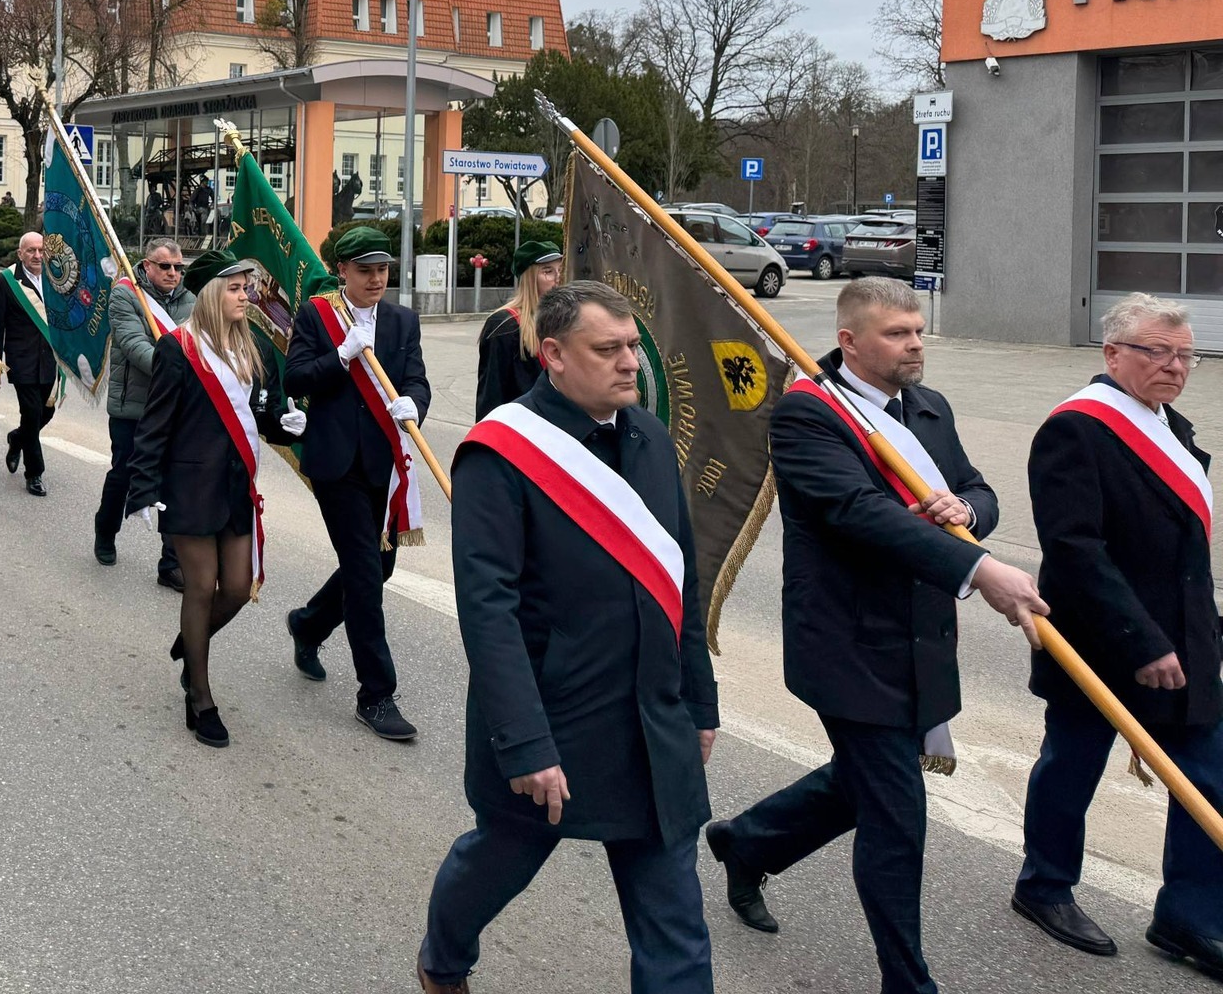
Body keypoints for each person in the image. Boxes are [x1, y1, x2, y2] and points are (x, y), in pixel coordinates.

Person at [707, 276, 1048, 994]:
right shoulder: (808, 415)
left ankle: (746, 842)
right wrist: (980, 567)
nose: (915, 343)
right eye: (897, 334)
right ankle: (908, 983)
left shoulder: (929, 407)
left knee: (865, 785)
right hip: (847, 642)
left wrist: (970, 512)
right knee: (896, 814)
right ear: (850, 342)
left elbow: (978, 488)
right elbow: (861, 513)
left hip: (920, 637)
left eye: (918, 330)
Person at [420, 280, 718, 994]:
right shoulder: (499, 454)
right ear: (552, 354)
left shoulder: (646, 435)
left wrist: (699, 701)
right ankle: (443, 958)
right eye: (607, 349)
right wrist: (524, 743)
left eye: (632, 349)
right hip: (556, 714)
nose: (629, 365)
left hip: (652, 718)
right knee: (501, 858)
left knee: (676, 924)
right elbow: (488, 612)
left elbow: (681, 577)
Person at [1010, 292, 1222, 972]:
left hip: (1182, 640)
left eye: (1184, 353)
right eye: (1156, 351)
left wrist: (1201, 630)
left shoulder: (1175, 430)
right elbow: (1074, 550)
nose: (1174, 365)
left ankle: (1187, 917)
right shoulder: (1078, 428)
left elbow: (1183, 554)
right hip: (1101, 642)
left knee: (1209, 777)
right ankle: (1044, 887)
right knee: (1072, 767)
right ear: (1113, 354)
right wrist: (1143, 642)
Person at [128, 252, 297, 748]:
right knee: (201, 587)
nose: (247, 296)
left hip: (235, 487)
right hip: (189, 489)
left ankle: (190, 641)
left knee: (239, 587)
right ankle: (199, 695)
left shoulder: (253, 347)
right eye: (236, 288)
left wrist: (283, 425)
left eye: (247, 287)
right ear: (209, 296)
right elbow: (154, 425)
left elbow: (257, 415)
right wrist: (142, 489)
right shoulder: (179, 350)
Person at [283, 224, 431, 742]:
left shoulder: (401, 321)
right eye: (364, 269)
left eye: (382, 269)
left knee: (378, 564)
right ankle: (376, 695)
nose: (375, 279)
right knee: (366, 574)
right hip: (335, 463)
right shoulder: (317, 316)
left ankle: (309, 622)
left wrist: (417, 404)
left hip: (384, 463)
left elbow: (415, 378)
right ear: (341, 270)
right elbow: (295, 378)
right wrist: (341, 356)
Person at [96, 237, 194, 584]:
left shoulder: (190, 301)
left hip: (176, 408)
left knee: (174, 483)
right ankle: (105, 532)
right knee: (124, 475)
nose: (173, 273)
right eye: (165, 266)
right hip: (133, 408)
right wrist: (182, 374)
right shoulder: (126, 295)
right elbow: (135, 346)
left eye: (178, 268)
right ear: (147, 265)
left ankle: (170, 565)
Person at [0, 231, 59, 496]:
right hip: (22, 359)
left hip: (51, 359)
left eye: (41, 250)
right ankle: (34, 473)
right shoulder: (6, 281)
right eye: (31, 251)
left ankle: (17, 438)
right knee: (32, 413)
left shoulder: (57, 279)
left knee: (47, 412)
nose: (36, 256)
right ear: (20, 253)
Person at [473, 241, 564, 418]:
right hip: (518, 430)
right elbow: (491, 394)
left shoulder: (563, 320)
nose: (557, 278)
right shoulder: (504, 324)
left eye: (560, 270)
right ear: (530, 277)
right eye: (547, 271)